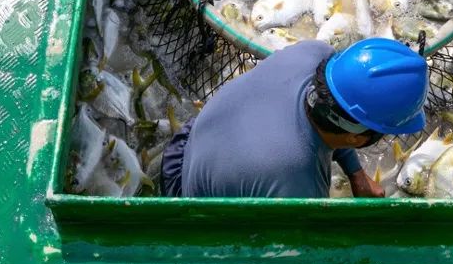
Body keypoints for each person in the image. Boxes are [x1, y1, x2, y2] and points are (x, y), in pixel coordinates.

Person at [160, 38, 429, 198]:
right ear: (356, 138)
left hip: (191, 144)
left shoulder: (313, 53)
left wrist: (356, 174)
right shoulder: (298, 180)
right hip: (191, 196)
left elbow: (337, 111)